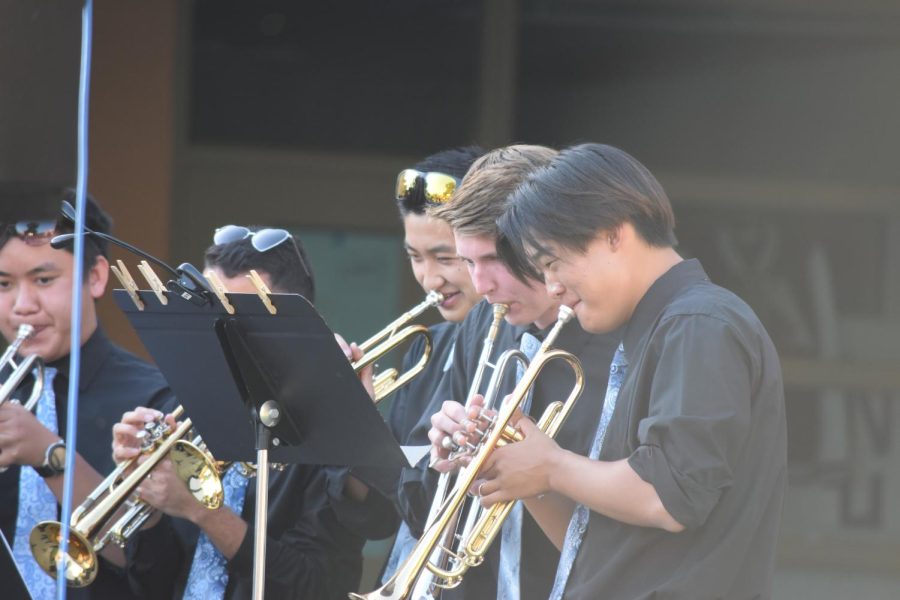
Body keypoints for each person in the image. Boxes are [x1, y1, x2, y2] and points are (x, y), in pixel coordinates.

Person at [482, 143, 786, 599]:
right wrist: (517, 470)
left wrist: (551, 466)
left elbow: (669, 497)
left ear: (611, 233)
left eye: (552, 262)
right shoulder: (662, 327)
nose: (552, 286)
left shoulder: (697, 323)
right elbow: (596, 547)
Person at [114, 226, 368, 599]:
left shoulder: (329, 429)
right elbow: (152, 584)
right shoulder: (179, 411)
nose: (218, 334)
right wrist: (149, 503)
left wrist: (206, 513)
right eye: (208, 311)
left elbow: (319, 584)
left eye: (239, 319)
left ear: (293, 322)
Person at [419, 145, 620, 600]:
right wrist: (446, 460)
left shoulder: (624, 345)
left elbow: (622, 552)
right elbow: (421, 511)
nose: (480, 285)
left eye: (493, 260)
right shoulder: (482, 323)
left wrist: (533, 472)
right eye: (467, 262)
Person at [0, 190, 173, 599]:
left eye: (44, 280)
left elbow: (159, 569)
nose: (23, 305)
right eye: (4, 284)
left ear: (95, 277)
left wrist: (51, 457)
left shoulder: (154, 398)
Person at [365, 147, 485, 579]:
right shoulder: (424, 346)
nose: (429, 280)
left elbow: (424, 503)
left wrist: (360, 434)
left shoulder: (515, 351)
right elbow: (380, 514)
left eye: (445, 257)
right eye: (415, 257)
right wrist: (352, 419)